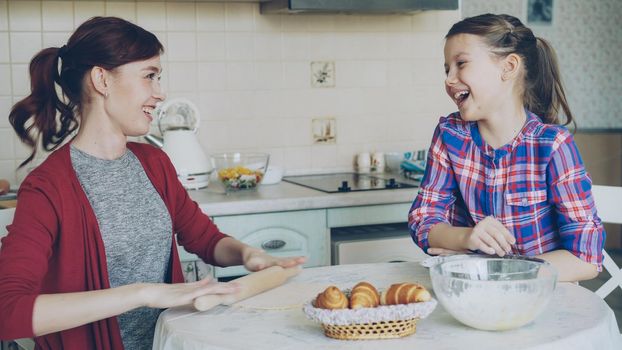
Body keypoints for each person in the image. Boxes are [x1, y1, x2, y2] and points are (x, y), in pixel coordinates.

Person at [0, 16, 305, 350]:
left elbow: (203, 237)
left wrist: (248, 254)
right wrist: (144, 294)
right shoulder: (48, 186)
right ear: (102, 79)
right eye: (149, 76)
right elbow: (7, 311)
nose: (160, 93)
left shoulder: (153, 163)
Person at [408, 13, 604, 282]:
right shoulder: (449, 135)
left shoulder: (553, 146)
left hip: (545, 306)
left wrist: (490, 267)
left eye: (461, 63)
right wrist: (465, 237)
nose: (449, 79)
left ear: (509, 67)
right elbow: (423, 217)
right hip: (472, 298)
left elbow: (585, 259)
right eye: (446, 69)